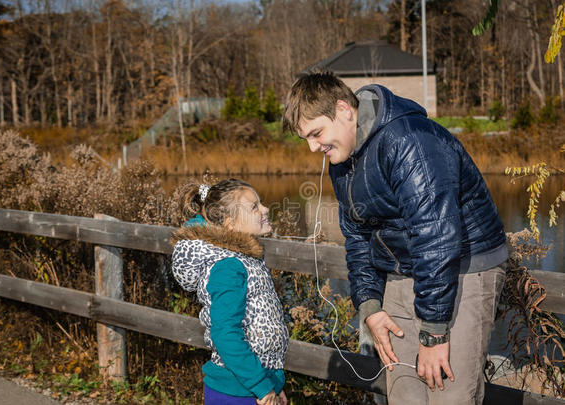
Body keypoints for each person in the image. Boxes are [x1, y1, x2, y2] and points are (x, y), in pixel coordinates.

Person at [282, 71, 508, 405]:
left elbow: (436, 237)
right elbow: (357, 237)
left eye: (316, 134)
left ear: (344, 109)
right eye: (307, 139)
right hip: (402, 273)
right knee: (404, 393)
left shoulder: (410, 140)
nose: (314, 147)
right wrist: (370, 304)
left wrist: (433, 332)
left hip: (463, 270)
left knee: (449, 395)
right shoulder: (342, 160)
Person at [170, 179, 288, 405]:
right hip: (238, 392)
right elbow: (225, 334)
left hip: (255, 384)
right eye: (254, 206)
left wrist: (274, 384)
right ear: (230, 223)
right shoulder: (228, 266)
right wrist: (262, 388)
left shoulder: (247, 260)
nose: (265, 209)